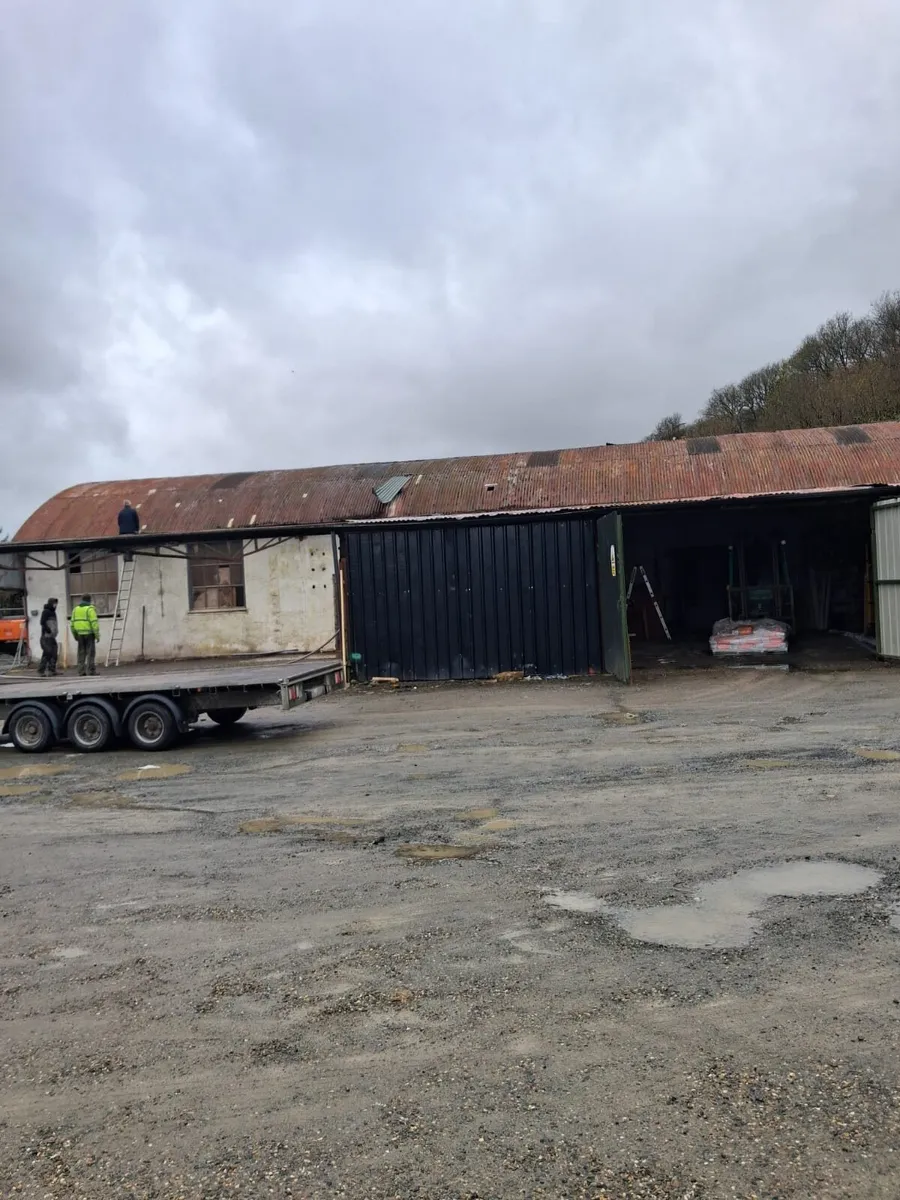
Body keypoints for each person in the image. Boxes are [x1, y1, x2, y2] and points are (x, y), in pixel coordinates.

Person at [71, 594, 100, 676]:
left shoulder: (75, 610)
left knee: (81, 653)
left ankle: (81, 671)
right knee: (90, 653)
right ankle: (91, 671)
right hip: (89, 634)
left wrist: (75, 635)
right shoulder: (90, 609)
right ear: (89, 600)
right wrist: (97, 635)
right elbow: (94, 623)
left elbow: (72, 624)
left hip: (79, 635)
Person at [38, 597, 59, 677]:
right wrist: (48, 630)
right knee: (47, 652)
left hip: (52, 636)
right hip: (46, 636)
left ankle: (52, 670)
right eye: (54, 603)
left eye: (56, 604)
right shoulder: (46, 612)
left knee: (54, 653)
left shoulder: (53, 613)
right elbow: (42, 622)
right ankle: (41, 670)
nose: (55, 605)